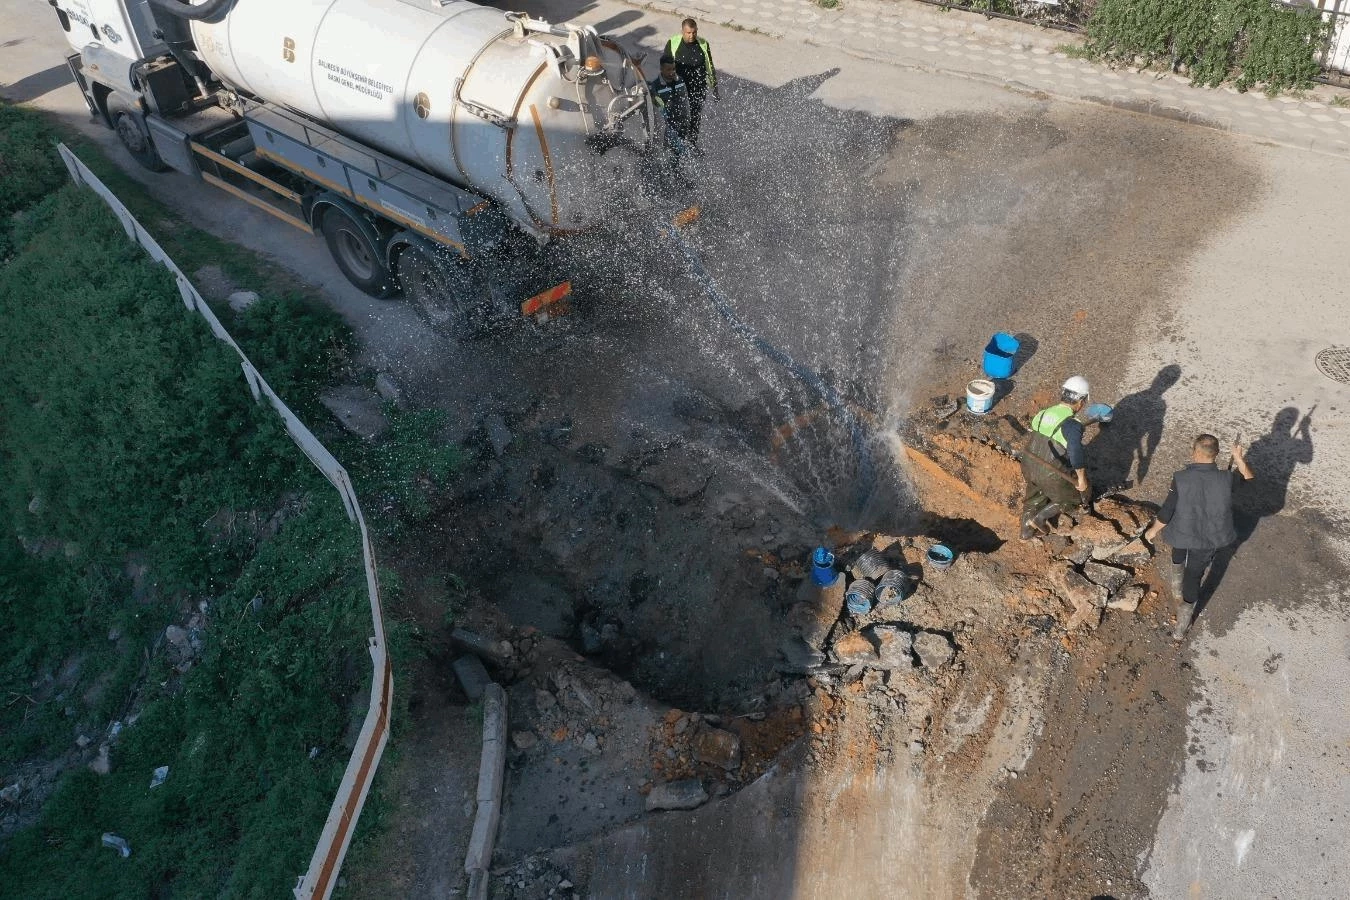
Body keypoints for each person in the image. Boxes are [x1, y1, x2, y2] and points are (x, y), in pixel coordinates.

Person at [1145, 435, 1255, 640]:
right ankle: (1181, 627)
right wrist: (1239, 459)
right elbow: (1249, 479)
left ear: (1194, 452)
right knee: (1194, 576)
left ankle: (1175, 587)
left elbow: (1167, 511)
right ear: (1216, 454)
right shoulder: (1227, 478)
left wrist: (1152, 531)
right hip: (1209, 538)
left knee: (1178, 551)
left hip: (1182, 530)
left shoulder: (1180, 477)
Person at [1019, 376, 1093, 540]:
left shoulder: (1043, 413)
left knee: (1033, 499)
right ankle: (1039, 518)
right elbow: (1075, 452)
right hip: (1050, 473)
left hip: (1028, 464)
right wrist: (1081, 479)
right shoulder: (1072, 424)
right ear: (1081, 401)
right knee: (1072, 498)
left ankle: (1025, 532)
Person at [667, 19, 718, 146]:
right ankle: (674, 144)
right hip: (679, 90)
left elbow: (710, 66)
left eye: (694, 32)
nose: (691, 36)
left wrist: (714, 87)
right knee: (678, 117)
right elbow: (665, 67)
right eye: (688, 33)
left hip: (698, 89)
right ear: (682, 31)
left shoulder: (703, 44)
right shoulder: (673, 43)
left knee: (695, 118)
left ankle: (692, 145)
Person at [648, 55, 692, 161]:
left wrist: (688, 120)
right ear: (661, 69)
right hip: (668, 127)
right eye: (668, 69)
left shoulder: (680, 81)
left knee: (678, 156)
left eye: (673, 69)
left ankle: (677, 173)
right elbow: (655, 110)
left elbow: (685, 101)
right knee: (677, 152)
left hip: (682, 123)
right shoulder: (655, 87)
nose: (672, 72)